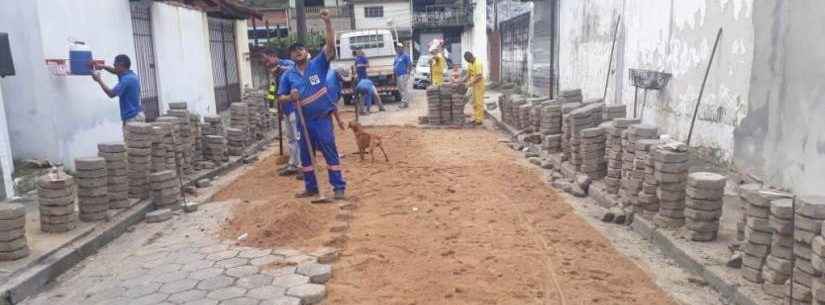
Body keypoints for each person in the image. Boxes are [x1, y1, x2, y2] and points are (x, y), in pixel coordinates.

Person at [278, 9, 346, 200]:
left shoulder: (318, 64)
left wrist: (328, 24)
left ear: (306, 52)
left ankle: (338, 186)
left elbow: (330, 47)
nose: (297, 52)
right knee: (306, 157)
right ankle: (311, 187)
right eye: (293, 51)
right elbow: (280, 97)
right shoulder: (288, 75)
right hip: (302, 121)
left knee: (329, 151)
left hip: (321, 119)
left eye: (300, 49)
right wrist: (290, 97)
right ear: (291, 56)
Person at [261, 51, 302, 178]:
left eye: (268, 60)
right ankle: (292, 164)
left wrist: (280, 69)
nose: (267, 64)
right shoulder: (273, 72)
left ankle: (302, 166)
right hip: (285, 108)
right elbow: (274, 89)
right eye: (265, 63)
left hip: (294, 108)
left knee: (298, 138)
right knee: (290, 138)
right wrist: (272, 104)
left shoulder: (287, 64)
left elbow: (295, 70)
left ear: (274, 56)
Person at [91, 55, 143, 124]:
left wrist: (99, 80)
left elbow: (111, 94)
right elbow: (115, 71)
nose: (114, 66)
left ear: (121, 65)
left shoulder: (126, 80)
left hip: (132, 119)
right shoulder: (130, 74)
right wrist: (103, 67)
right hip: (136, 115)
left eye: (115, 65)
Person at [464, 51, 485, 125]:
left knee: (479, 103)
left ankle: (479, 120)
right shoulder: (470, 64)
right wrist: (462, 80)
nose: (467, 61)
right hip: (473, 86)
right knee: (474, 103)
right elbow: (468, 74)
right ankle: (476, 118)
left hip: (479, 85)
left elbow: (479, 77)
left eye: (467, 60)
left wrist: (470, 83)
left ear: (471, 57)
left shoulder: (478, 63)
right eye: (466, 60)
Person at [393, 43, 413, 108]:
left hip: (403, 74)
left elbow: (409, 64)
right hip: (398, 75)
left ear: (402, 48)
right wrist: (394, 74)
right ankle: (405, 102)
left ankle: (404, 102)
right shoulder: (396, 56)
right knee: (400, 89)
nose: (398, 48)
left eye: (400, 47)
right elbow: (395, 65)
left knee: (404, 88)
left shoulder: (405, 56)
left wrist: (408, 73)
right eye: (397, 47)